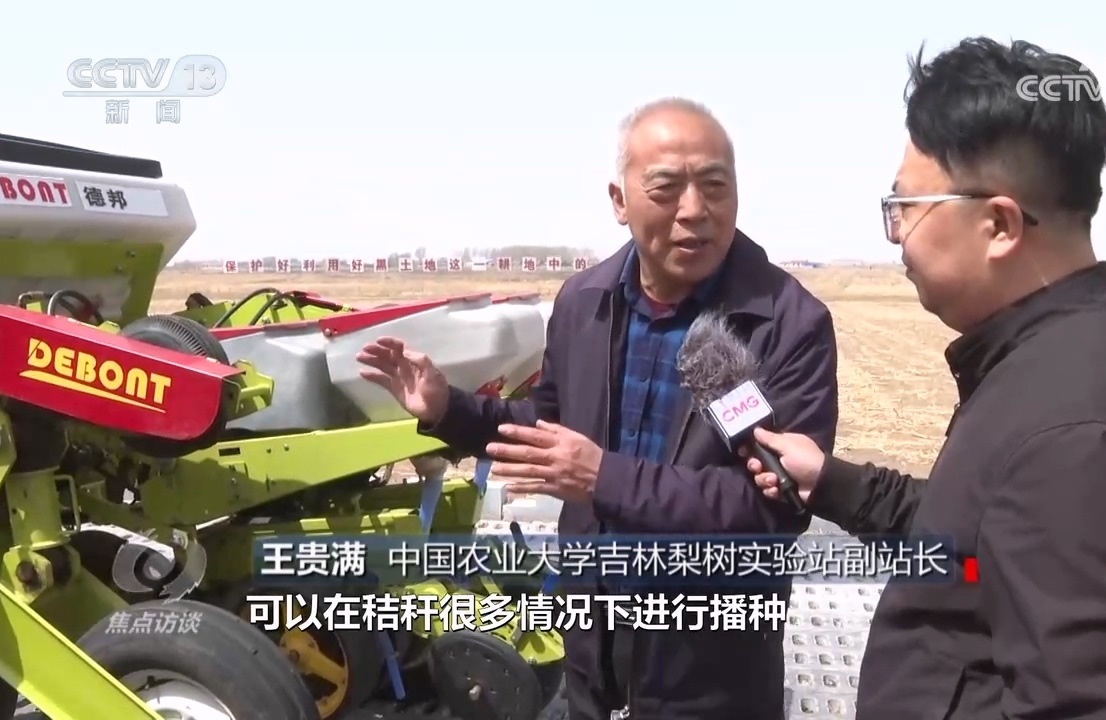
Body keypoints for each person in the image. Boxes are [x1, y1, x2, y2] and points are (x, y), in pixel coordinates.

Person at [745, 37, 1106, 719]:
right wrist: (832, 483)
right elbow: (978, 541)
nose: (895, 234)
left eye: (906, 207)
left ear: (999, 224)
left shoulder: (1081, 438)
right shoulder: (1052, 363)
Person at [356, 97, 838, 720]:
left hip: (712, 675)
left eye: (715, 186)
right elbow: (550, 431)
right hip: (593, 655)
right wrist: (450, 409)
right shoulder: (585, 303)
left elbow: (773, 511)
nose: (695, 209)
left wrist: (602, 477)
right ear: (620, 201)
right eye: (666, 187)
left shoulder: (787, 324)